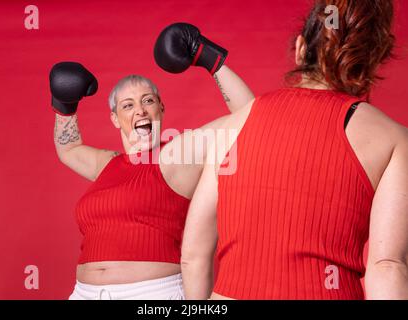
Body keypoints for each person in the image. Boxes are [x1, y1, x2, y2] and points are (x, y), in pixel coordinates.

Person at [181, 0, 408, 300]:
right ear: (371, 60)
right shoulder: (393, 139)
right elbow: (387, 266)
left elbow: (194, 255)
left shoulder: (234, 125)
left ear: (301, 48)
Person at [49, 23, 255, 300]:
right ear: (114, 119)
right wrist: (64, 105)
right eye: (128, 105)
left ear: (161, 109)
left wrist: (207, 56)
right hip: (84, 293)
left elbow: (249, 118)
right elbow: (69, 149)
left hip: (150, 295)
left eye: (148, 100)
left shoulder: (175, 155)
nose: (140, 110)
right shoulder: (108, 164)